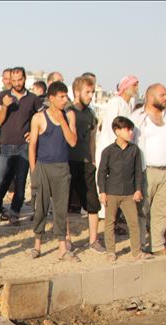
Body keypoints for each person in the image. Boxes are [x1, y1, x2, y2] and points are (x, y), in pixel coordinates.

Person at [28, 81, 78, 260]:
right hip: (43, 167)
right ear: (51, 98)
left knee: (61, 208)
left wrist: (62, 120)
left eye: (66, 96)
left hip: (62, 167)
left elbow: (72, 142)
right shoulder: (38, 118)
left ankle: (62, 248)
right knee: (40, 208)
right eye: (61, 97)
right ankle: (37, 245)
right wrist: (34, 171)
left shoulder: (69, 116)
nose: (65, 100)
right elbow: (32, 145)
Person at [131, 83, 166, 255]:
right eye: (162, 95)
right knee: (141, 211)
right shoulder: (138, 117)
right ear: (150, 97)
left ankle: (157, 246)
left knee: (162, 212)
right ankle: (139, 245)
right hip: (146, 171)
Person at [0, 67, 34, 223]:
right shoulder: (2, 96)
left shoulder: (32, 98)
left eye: (20, 79)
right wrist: (5, 106)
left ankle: (14, 214)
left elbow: (38, 118)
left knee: (20, 181)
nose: (17, 83)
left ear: (25, 79)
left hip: (24, 146)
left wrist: (33, 132)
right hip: (5, 145)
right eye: (14, 80)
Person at [97, 116, 147, 261]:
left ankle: (136, 251)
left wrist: (138, 189)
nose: (130, 133)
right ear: (117, 131)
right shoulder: (108, 151)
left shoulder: (134, 150)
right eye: (127, 129)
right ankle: (111, 251)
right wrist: (102, 192)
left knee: (134, 223)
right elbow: (101, 173)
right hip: (111, 192)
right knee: (110, 223)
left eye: (131, 130)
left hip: (129, 194)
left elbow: (138, 172)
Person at [67, 75, 101, 250]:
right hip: (68, 162)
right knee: (65, 204)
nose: (90, 96)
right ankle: (66, 239)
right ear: (77, 92)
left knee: (92, 203)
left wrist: (93, 159)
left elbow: (92, 138)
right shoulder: (68, 111)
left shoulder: (90, 113)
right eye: (87, 92)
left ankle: (93, 240)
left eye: (92, 92)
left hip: (86, 163)